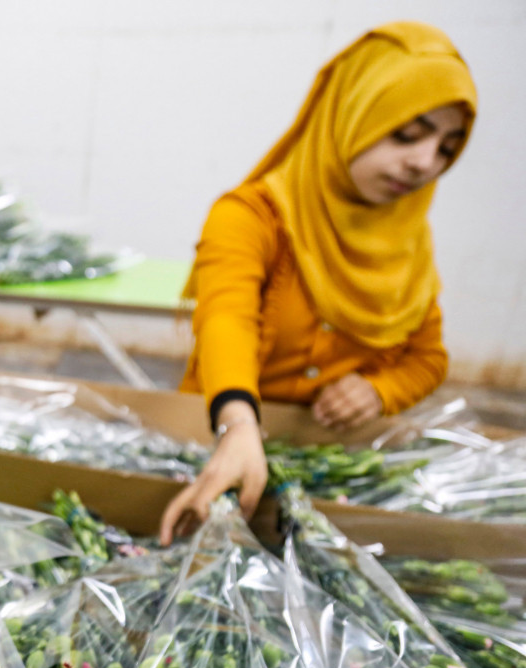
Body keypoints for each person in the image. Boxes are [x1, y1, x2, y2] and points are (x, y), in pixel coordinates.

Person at [160, 22, 477, 544]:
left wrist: (380, 390)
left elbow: (428, 358)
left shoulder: (406, 241)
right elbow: (226, 318)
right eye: (407, 132)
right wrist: (238, 426)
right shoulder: (253, 217)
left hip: (329, 463)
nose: (425, 162)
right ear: (352, 109)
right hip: (222, 444)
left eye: (447, 147)